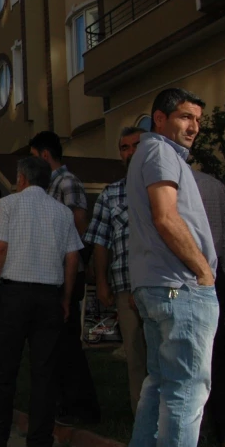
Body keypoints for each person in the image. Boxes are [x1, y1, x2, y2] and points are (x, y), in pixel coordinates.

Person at [122, 88, 225, 447]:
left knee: (159, 387)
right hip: (179, 286)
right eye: (185, 117)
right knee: (187, 390)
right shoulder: (161, 153)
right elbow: (165, 217)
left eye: (198, 121)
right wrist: (203, 271)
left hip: (157, 287)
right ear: (159, 118)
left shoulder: (149, 154)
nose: (193, 127)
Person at [0, 156, 83, 447]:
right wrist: (66, 299)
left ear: (21, 179)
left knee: (4, 369)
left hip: (14, 294)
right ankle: (40, 443)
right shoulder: (62, 212)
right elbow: (72, 258)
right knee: (44, 372)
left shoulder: (8, 205)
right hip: (49, 296)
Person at [29, 130, 101, 426]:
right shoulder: (49, 186)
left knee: (68, 343)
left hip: (66, 270)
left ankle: (83, 408)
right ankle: (64, 404)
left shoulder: (66, 182)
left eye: (34, 158)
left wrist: (63, 254)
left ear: (45, 156)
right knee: (55, 344)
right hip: (51, 272)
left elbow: (79, 223)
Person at [86, 127, 143, 413]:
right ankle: (143, 422)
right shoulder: (111, 193)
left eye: (136, 145)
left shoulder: (164, 185)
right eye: (124, 147)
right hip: (125, 285)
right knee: (136, 356)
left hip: (164, 285)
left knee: (169, 354)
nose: (130, 152)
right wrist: (103, 283)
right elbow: (100, 241)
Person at [192, 167, 225, 447]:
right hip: (215, 275)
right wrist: (224, 279)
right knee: (216, 355)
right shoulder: (215, 186)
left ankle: (191, 437)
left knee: (183, 356)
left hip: (182, 280)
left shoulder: (166, 185)